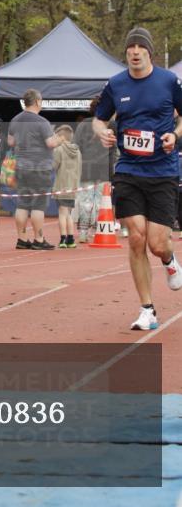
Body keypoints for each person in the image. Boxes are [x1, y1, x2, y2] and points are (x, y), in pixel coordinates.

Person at [93, 27, 182, 331]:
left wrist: (175, 135)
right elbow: (99, 117)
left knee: (157, 243)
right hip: (129, 170)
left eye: (139, 46)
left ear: (149, 52)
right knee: (135, 237)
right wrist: (102, 131)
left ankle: (169, 261)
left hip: (163, 171)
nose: (134, 51)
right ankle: (147, 309)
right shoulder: (116, 84)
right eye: (130, 46)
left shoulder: (169, 81)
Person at [8, 89, 61, 250]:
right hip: (40, 167)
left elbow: (10, 142)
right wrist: (61, 139)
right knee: (38, 205)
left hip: (21, 167)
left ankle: (22, 238)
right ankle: (39, 239)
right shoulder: (42, 122)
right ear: (37, 101)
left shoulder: (15, 120)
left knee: (23, 203)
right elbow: (51, 143)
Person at [73, 96, 116, 242]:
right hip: (104, 168)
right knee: (102, 201)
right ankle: (98, 229)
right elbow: (115, 150)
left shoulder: (83, 124)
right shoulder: (112, 125)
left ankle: (83, 232)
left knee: (85, 200)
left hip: (86, 167)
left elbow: (76, 146)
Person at [52, 124, 82, 248]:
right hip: (73, 186)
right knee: (68, 213)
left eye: (56, 137)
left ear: (62, 137)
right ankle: (70, 238)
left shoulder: (58, 150)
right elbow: (79, 168)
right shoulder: (78, 151)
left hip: (61, 186)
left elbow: (54, 166)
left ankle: (63, 238)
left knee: (62, 213)